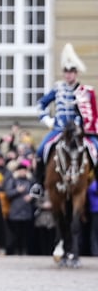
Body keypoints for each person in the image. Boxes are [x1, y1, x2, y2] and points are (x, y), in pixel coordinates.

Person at [34, 43, 98, 188]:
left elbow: (92, 114)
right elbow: (40, 104)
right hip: (59, 129)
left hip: (79, 132)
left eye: (72, 71)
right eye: (66, 71)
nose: (68, 74)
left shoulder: (85, 91)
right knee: (40, 151)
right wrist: (46, 119)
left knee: (97, 149)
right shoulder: (58, 89)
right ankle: (38, 184)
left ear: (77, 73)